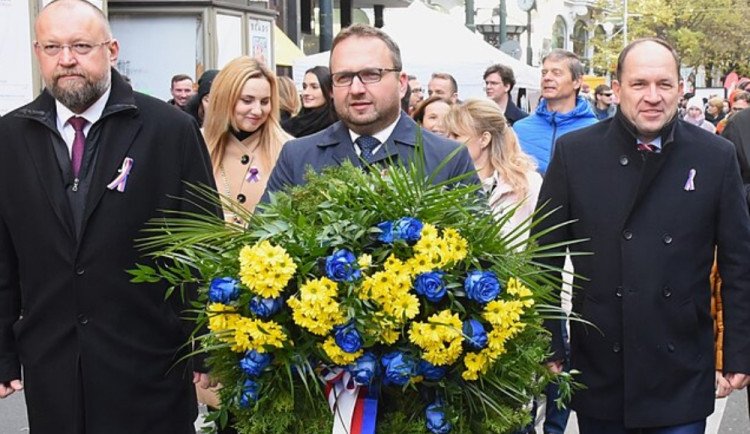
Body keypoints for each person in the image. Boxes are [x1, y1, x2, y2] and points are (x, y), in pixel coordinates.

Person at [0, 1, 219, 432]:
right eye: (52, 47)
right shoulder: (9, 138)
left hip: (150, 364)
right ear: (38, 52)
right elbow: (3, 256)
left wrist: (205, 342)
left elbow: (201, 244)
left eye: (81, 46)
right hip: (54, 372)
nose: (67, 60)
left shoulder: (168, 130)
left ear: (111, 49)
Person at [533, 38, 750, 433]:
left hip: (681, 366)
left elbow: (739, 264)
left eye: (664, 84)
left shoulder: (715, 156)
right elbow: (542, 258)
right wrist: (550, 342)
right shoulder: (574, 154)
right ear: (616, 90)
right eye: (639, 84)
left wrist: (738, 352)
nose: (653, 96)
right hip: (601, 365)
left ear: (681, 88)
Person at [263, 23, 476, 197]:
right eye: (343, 77)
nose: (356, 89)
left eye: (371, 74)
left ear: (402, 84)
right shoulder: (297, 156)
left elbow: (478, 244)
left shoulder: (448, 159)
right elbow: (261, 245)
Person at [203, 56, 291, 219]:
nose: (257, 110)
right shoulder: (196, 143)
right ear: (224, 99)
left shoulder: (288, 149)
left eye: (265, 102)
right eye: (247, 100)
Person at [443, 99, 540, 240]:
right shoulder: (445, 181)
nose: (447, 142)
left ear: (484, 139)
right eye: (447, 136)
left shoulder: (527, 182)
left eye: (456, 135)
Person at [513, 49, 597, 175]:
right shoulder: (520, 129)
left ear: (577, 82)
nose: (547, 78)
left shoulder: (595, 130)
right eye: (544, 73)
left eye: (556, 73)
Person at [281, 66, 337, 138]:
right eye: (304, 87)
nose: (305, 93)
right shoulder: (291, 125)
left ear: (330, 91)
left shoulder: (338, 125)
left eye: (314, 87)